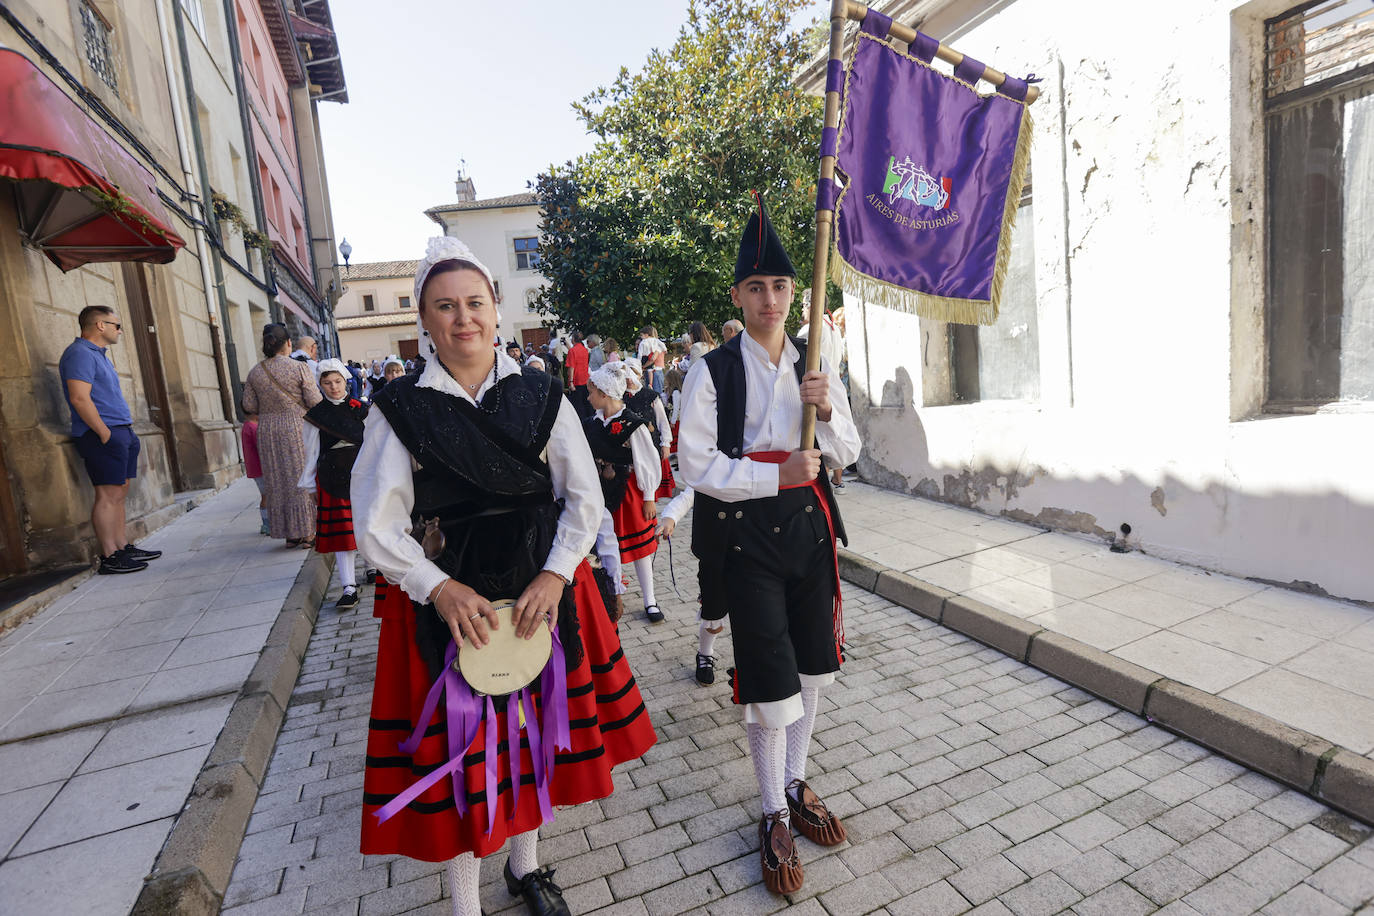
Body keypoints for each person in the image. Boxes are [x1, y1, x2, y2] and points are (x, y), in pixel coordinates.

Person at [351, 237, 654, 916]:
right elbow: (376, 524)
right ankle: (465, 903)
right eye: (445, 306)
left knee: (529, 736)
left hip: (535, 589)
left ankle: (527, 868)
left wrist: (555, 576)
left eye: (475, 303)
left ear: (497, 308)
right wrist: (436, 586)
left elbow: (583, 499)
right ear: (424, 321)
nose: (463, 318)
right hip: (446, 603)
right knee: (459, 755)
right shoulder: (399, 409)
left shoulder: (544, 395)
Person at [678, 194, 861, 895]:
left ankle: (795, 779)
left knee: (813, 668)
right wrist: (772, 471)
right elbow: (694, 465)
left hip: (810, 531)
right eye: (755, 287)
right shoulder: (713, 370)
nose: (770, 298)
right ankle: (769, 811)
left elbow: (846, 450)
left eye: (780, 286)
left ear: (793, 292)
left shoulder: (814, 362)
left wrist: (824, 406)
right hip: (746, 536)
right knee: (767, 678)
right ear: (738, 295)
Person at [59, 305, 163, 574]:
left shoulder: (100, 355)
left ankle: (121, 547)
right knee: (106, 495)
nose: (120, 330)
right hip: (101, 434)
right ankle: (109, 556)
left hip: (121, 431)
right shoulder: (79, 354)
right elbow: (79, 398)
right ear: (100, 325)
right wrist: (104, 432)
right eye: (116, 325)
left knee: (119, 493)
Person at [582, 362, 663, 623]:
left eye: (591, 392)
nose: (587, 397)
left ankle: (650, 599)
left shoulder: (633, 424)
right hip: (598, 490)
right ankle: (611, 592)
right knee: (604, 545)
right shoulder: (591, 423)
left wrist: (649, 495)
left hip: (628, 490)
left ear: (604, 394)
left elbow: (647, 460)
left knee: (639, 547)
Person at [242, 323, 323, 547]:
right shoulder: (299, 368)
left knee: (277, 480)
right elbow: (315, 400)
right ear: (288, 343)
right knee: (300, 477)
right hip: (296, 427)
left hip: (267, 430)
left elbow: (249, 405)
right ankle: (307, 532)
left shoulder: (255, 372)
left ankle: (290, 534)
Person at [299, 360, 369, 610]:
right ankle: (349, 586)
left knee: (369, 524)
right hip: (332, 476)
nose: (334, 387)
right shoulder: (317, 416)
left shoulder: (362, 409)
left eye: (337, 381)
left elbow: (374, 444)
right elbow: (311, 450)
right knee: (343, 534)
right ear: (320, 385)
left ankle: (372, 567)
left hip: (363, 473)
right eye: (327, 383)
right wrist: (309, 484)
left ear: (346, 381)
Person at [653, 485, 727, 686]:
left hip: (753, 554)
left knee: (752, 618)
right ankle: (705, 654)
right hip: (715, 555)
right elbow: (688, 496)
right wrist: (669, 518)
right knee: (714, 617)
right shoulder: (712, 470)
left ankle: (748, 667)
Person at [798, 307, 848, 490]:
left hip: (815, 384)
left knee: (821, 440)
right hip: (833, 384)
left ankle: (823, 485)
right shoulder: (833, 329)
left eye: (804, 306)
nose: (802, 311)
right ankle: (837, 481)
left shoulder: (810, 329)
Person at [622, 358, 674, 500]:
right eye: (627, 373)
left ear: (640, 374)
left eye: (634, 373)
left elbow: (662, 420)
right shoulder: (619, 396)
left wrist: (666, 443)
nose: (630, 378)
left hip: (650, 444)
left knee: (648, 482)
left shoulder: (650, 395)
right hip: (628, 448)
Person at [242, 411, 268, 535]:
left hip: (255, 468)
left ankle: (267, 523)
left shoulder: (248, 426)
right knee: (266, 496)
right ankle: (267, 524)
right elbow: (261, 446)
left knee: (265, 495)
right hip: (259, 467)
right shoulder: (253, 427)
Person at [636, 326, 667, 398]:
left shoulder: (654, 345)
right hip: (655, 371)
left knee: (655, 395)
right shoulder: (657, 343)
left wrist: (642, 366)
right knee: (654, 395)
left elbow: (652, 359)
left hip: (655, 371)